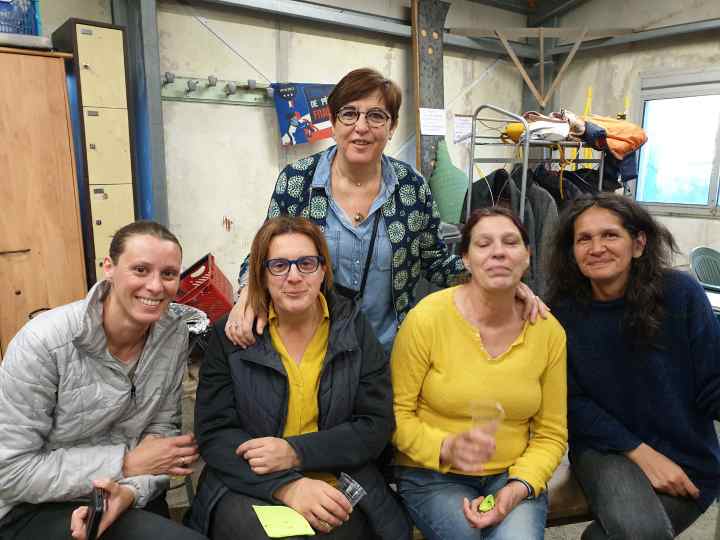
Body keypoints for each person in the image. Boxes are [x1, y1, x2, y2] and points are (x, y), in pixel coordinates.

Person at [225, 67, 545, 352]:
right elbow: (262, 254)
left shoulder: (411, 187)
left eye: (376, 116)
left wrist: (498, 279)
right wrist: (245, 296)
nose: (361, 127)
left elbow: (435, 261)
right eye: (349, 114)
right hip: (312, 351)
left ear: (391, 127)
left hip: (387, 353)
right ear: (333, 122)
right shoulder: (298, 181)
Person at [186, 216, 410, 540]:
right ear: (262, 275)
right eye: (279, 265)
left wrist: (295, 452)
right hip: (250, 484)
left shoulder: (355, 330)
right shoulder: (231, 336)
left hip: (337, 477)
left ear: (323, 271)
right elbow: (215, 433)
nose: (293, 277)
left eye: (306, 264)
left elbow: (374, 426)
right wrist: (287, 487)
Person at [0, 221, 206, 540]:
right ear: (108, 267)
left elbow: (162, 441)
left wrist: (128, 492)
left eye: (168, 274)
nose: (155, 286)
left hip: (128, 492)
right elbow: (11, 472)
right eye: (140, 270)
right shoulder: (44, 343)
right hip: (35, 504)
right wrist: (125, 463)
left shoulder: (173, 333)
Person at [547, 193, 720, 540]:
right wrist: (642, 453)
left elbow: (712, 383)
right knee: (643, 532)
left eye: (610, 235)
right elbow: (571, 403)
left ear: (638, 244)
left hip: (686, 456)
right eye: (584, 239)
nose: (597, 248)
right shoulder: (560, 313)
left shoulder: (680, 294)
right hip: (604, 448)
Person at [391, 207, 567, 540]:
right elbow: (396, 414)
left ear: (527, 257)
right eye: (483, 244)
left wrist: (519, 486)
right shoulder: (427, 319)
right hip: (433, 474)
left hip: (511, 474)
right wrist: (445, 447)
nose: (498, 252)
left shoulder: (548, 332)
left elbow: (551, 434)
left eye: (510, 242)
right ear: (466, 259)